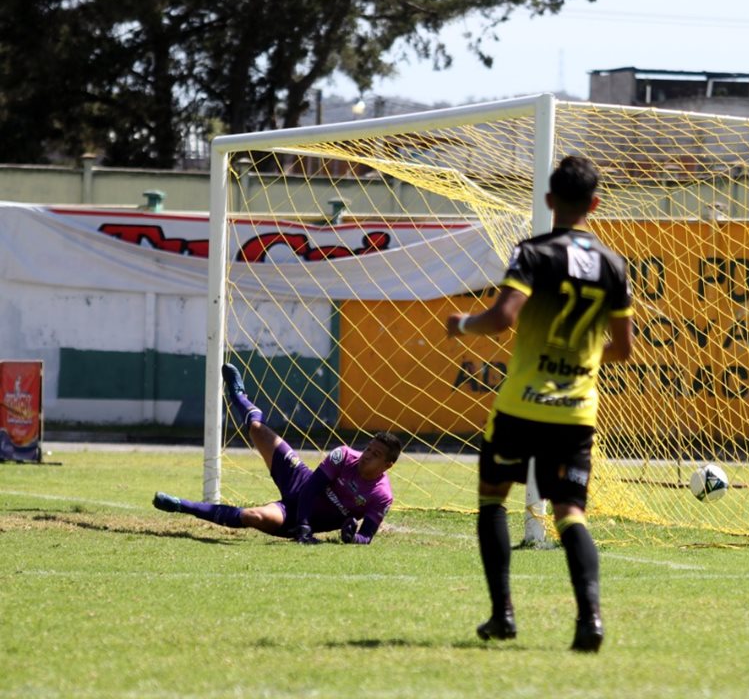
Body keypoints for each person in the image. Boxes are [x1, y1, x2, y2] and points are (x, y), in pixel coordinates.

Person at [446, 154, 634, 653]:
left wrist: (462, 324)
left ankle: (503, 613)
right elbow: (624, 349)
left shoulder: (532, 253)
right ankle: (590, 619)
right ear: (595, 204)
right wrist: (583, 360)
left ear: (550, 201)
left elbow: (503, 317)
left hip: (520, 408)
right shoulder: (615, 266)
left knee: (492, 499)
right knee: (571, 513)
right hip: (575, 413)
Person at [152, 364, 401, 544]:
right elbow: (313, 487)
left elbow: (366, 536)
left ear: (387, 465)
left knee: (253, 516)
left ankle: (181, 506)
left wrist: (350, 537)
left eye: (375, 454)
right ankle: (239, 395)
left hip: (291, 515)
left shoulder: (382, 496)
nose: (366, 454)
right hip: (300, 482)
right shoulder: (344, 454)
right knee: (259, 430)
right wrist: (305, 527)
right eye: (368, 448)